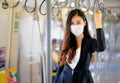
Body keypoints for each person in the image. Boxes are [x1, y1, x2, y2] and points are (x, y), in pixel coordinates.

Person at [53, 9, 105, 83]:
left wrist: (98, 23)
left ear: (84, 23)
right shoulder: (67, 42)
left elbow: (101, 47)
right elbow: (61, 67)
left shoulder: (89, 42)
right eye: (72, 23)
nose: (75, 26)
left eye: (78, 22)